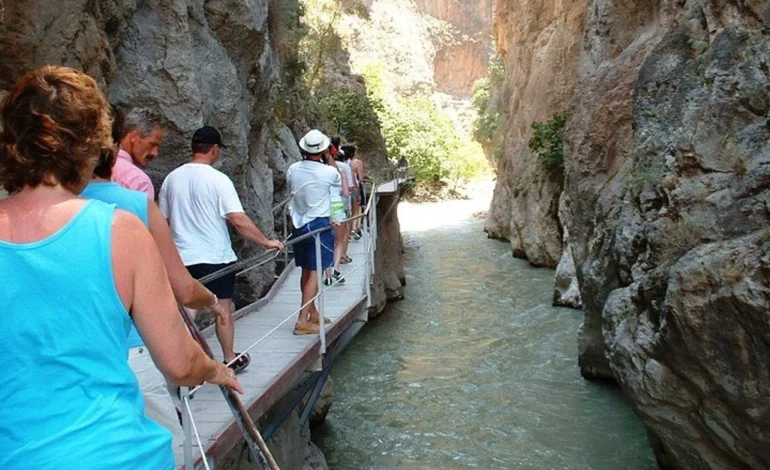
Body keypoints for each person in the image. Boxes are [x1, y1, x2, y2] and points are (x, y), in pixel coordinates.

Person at [0, 65, 240, 469]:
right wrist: (214, 369)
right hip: (119, 453)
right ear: (89, 145)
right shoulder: (119, 230)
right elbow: (180, 362)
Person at [81, 105, 227, 441]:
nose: (156, 152)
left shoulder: (60, 205)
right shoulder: (136, 191)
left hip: (86, 351)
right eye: (153, 144)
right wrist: (213, 306)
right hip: (134, 343)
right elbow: (183, 289)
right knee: (168, 445)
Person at [160, 126, 284, 373]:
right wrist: (267, 242)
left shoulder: (171, 179)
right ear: (214, 150)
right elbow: (238, 220)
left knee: (187, 313)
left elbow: (162, 221)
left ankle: (182, 363)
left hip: (182, 258)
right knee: (222, 310)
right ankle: (229, 358)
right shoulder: (219, 180)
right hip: (215, 257)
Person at [286, 129, 341, 335]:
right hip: (319, 224)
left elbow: (294, 189)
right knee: (315, 272)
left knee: (306, 270)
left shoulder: (293, 169)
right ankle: (302, 321)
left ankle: (313, 312)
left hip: (298, 224)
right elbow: (337, 196)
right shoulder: (329, 172)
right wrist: (339, 220)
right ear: (325, 149)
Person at [112, 107, 163, 199]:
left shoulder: (94, 169)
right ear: (133, 137)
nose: (155, 153)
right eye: (152, 144)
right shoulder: (139, 182)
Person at [325, 149, 350, 286]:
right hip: (337, 206)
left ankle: (327, 275)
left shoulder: (318, 172)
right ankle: (336, 269)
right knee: (339, 241)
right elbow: (346, 194)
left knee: (326, 241)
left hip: (323, 208)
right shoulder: (340, 173)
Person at [348, 145, 366, 237]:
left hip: (345, 188)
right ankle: (355, 228)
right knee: (357, 208)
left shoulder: (344, 163)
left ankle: (353, 227)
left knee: (349, 209)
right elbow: (360, 177)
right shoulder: (357, 162)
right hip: (355, 187)